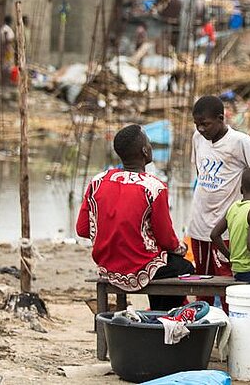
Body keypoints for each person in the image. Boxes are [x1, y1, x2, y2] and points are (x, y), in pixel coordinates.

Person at [76, 124, 193, 310]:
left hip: (107, 266)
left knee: (166, 262)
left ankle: (155, 315)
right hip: (138, 268)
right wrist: (180, 248)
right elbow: (166, 239)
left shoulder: (97, 181)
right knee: (184, 267)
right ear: (145, 151)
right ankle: (161, 316)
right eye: (149, 142)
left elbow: (82, 230)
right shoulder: (154, 187)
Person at [189, 96, 250, 302]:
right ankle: (204, 326)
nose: (201, 129)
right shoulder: (197, 139)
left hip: (227, 225)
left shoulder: (240, 141)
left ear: (220, 118)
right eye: (197, 124)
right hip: (199, 223)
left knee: (229, 283)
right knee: (202, 283)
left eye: (205, 124)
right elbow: (200, 172)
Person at [209, 168, 250, 284]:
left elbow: (214, 235)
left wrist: (230, 256)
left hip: (238, 270)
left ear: (241, 189)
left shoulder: (234, 207)